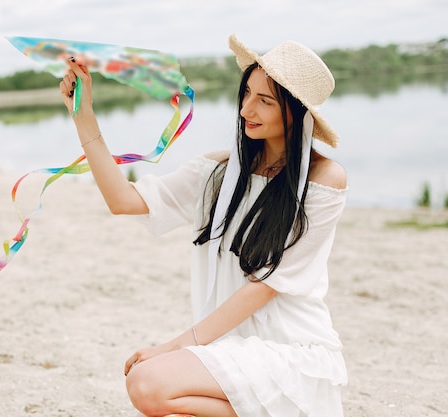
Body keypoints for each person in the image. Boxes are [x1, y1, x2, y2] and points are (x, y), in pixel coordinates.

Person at [59, 34, 348, 417]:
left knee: (148, 382)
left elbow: (266, 285)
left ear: (296, 111)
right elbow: (124, 201)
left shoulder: (323, 180)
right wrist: (84, 116)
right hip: (230, 345)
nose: (247, 109)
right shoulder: (219, 172)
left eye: (265, 101)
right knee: (147, 385)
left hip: (291, 349)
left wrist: (176, 346)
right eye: (246, 94)